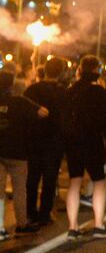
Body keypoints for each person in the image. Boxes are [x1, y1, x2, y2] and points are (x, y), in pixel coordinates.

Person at [64, 55, 106, 238]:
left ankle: (73, 227)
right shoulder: (99, 92)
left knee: (74, 181)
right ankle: (99, 225)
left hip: (73, 141)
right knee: (99, 181)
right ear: (96, 70)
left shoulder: (70, 91)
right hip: (93, 140)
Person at [0, 69, 46, 237]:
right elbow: (43, 112)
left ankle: (0, 227)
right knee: (19, 190)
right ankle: (22, 223)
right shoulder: (20, 101)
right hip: (18, 151)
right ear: (12, 84)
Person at [24, 56, 67, 227]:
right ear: (61, 72)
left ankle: (30, 211)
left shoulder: (32, 90)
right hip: (54, 140)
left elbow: (25, 113)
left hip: (33, 139)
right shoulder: (63, 92)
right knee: (50, 179)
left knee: (32, 178)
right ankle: (45, 213)